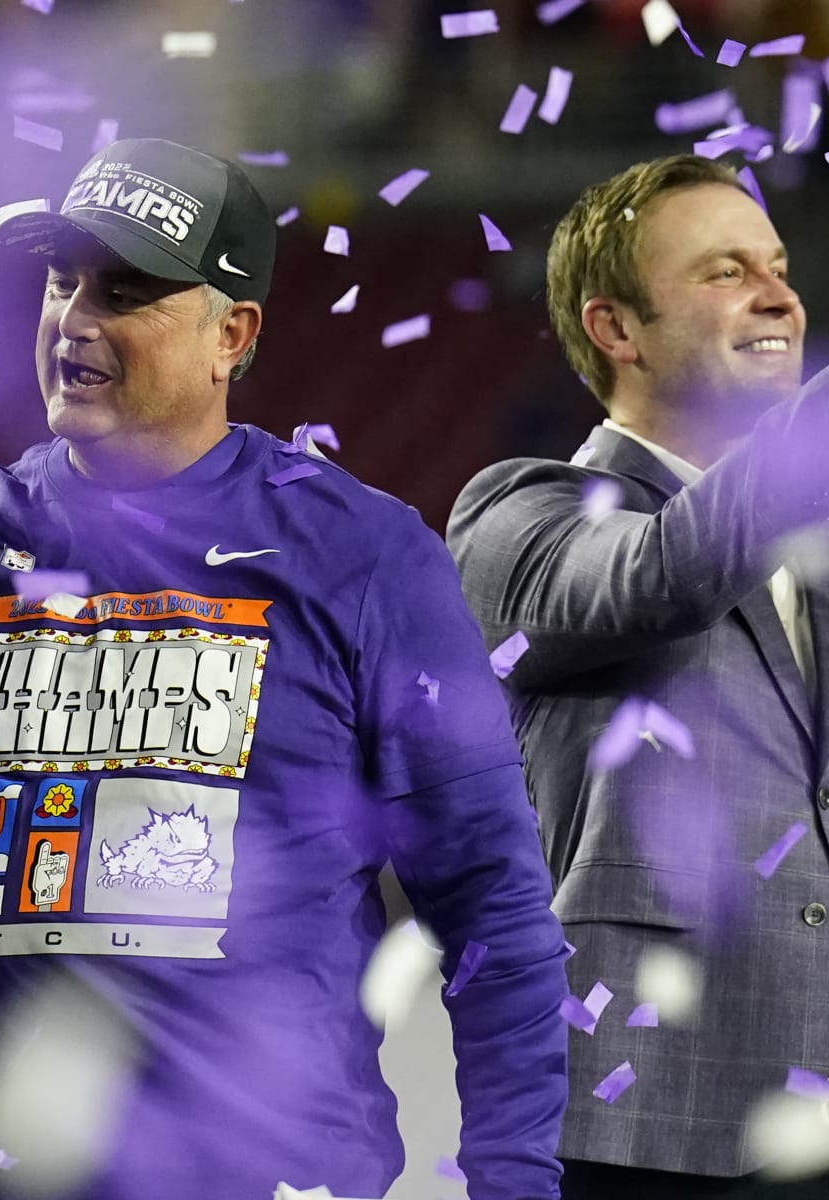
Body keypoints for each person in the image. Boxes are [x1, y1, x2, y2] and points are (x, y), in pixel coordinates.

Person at [0, 137, 571, 1200]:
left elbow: (494, 914)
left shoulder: (364, 555)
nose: (76, 319)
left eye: (128, 291)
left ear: (230, 335)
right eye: (62, 281)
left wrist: (513, 1184)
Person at [447, 154, 829, 1199]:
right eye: (724, 271)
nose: (779, 295)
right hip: (644, 1113)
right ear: (615, 328)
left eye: (781, 266)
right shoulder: (520, 513)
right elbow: (661, 575)